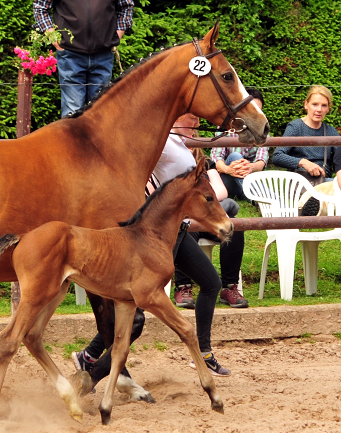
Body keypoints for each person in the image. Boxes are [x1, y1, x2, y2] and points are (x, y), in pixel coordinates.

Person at [73, 113, 232, 378]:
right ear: (176, 116)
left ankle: (203, 354)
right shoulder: (164, 141)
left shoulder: (183, 143)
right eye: (192, 117)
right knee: (137, 306)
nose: (196, 122)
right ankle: (92, 365)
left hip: (177, 231)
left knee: (211, 282)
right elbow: (133, 163)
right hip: (156, 234)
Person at [174, 148, 248, 309]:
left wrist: (198, 198)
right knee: (186, 228)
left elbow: (222, 191)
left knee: (233, 228)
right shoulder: (170, 162)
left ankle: (230, 287)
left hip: (209, 217)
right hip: (184, 217)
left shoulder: (207, 163)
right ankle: (183, 287)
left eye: (191, 139)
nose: (189, 146)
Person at [33, 0, 134, 117]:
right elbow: (40, 7)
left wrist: (118, 34)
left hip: (103, 54)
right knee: (72, 113)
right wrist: (53, 38)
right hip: (70, 54)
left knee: (99, 113)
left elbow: (126, 6)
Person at [210, 88, 269, 200]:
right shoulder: (226, 127)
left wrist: (250, 167)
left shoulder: (262, 129)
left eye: (259, 110)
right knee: (235, 157)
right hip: (228, 180)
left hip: (248, 180)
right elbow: (216, 158)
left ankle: (259, 199)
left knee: (240, 163)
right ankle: (266, 199)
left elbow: (262, 161)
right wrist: (229, 169)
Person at [272, 85, 339, 180]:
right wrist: (304, 162)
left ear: (328, 108)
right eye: (315, 104)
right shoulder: (295, 127)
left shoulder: (331, 131)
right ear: (306, 104)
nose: (319, 109)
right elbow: (277, 156)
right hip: (300, 181)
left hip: (324, 181)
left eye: (324, 105)